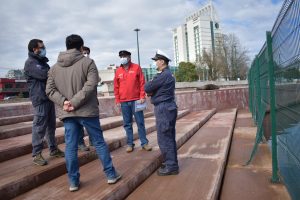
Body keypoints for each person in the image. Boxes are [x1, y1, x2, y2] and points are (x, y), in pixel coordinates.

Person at [46, 34, 121, 192]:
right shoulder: (88, 63)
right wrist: (74, 102)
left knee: (70, 147)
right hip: (87, 111)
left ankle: (73, 182)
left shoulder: (54, 68)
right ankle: (111, 174)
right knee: (99, 143)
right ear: (81, 47)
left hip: (68, 113)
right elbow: (91, 84)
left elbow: (50, 90)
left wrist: (65, 102)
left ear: (67, 46)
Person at [24, 39, 65, 166]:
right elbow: (45, 76)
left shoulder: (42, 62)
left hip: (48, 98)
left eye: (44, 47)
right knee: (39, 127)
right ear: (34, 49)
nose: (43, 49)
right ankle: (37, 154)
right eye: (41, 47)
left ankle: (53, 149)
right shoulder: (31, 63)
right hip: (40, 99)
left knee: (51, 126)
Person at [144, 49, 179, 176]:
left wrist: (152, 88)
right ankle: (171, 162)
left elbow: (147, 88)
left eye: (156, 60)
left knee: (164, 138)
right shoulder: (167, 74)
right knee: (168, 137)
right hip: (167, 107)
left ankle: (171, 166)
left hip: (164, 108)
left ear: (162, 61)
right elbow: (150, 90)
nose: (155, 63)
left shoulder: (163, 75)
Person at [114, 50, 152, 153]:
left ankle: (144, 143)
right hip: (124, 102)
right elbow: (116, 86)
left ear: (129, 57)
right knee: (127, 124)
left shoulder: (136, 67)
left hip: (136, 100)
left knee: (140, 123)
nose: (122, 57)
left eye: (124, 56)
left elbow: (142, 82)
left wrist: (142, 96)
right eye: (121, 56)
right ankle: (130, 144)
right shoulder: (118, 71)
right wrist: (117, 100)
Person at [77, 46, 92, 152]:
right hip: (78, 99)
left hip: (90, 100)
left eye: (87, 53)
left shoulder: (91, 64)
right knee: (78, 124)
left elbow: (96, 79)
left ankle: (93, 141)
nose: (85, 54)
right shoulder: (76, 65)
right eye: (83, 53)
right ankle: (80, 143)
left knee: (91, 122)